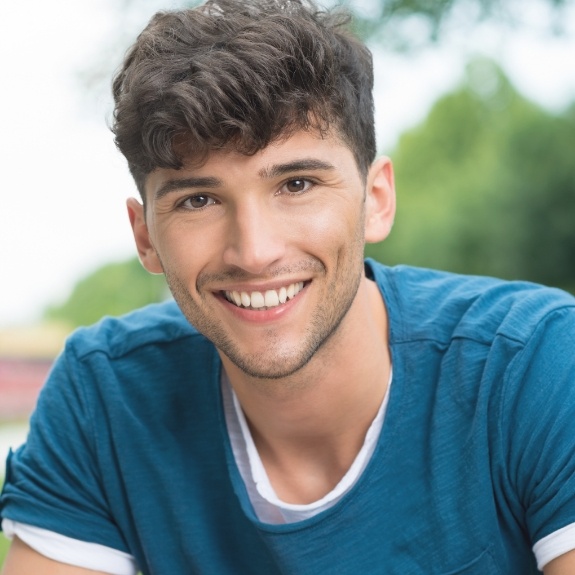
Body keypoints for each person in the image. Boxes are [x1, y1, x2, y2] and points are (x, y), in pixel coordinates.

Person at [1, 0, 575, 572]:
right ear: (145, 235)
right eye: (198, 200)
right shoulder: (103, 398)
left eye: (297, 184)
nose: (254, 252)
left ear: (376, 200)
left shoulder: (537, 366)